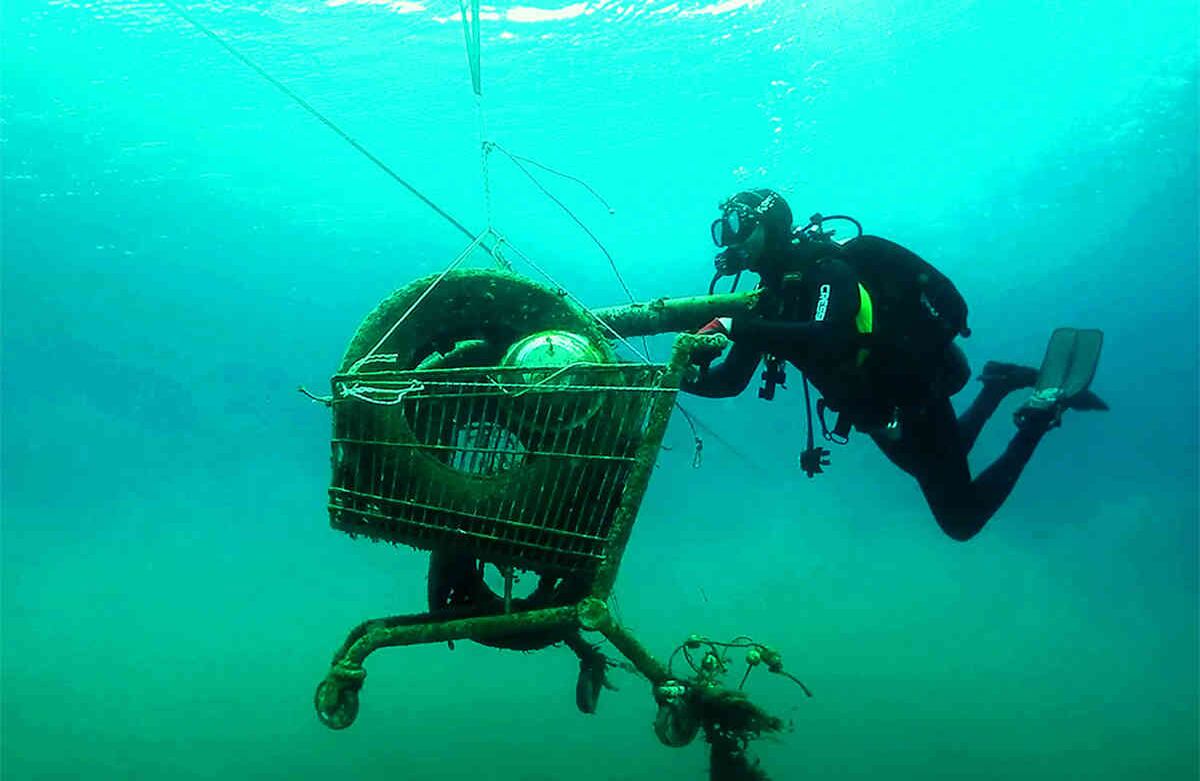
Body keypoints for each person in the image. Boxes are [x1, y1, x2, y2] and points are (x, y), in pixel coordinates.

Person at [683, 189, 1107, 541]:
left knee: (960, 520)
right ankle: (997, 385)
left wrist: (732, 324)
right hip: (871, 407)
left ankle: (1035, 419)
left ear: (770, 228)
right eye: (723, 230)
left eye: (737, 228)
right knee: (924, 461)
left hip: (910, 390)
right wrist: (684, 374)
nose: (728, 242)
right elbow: (731, 381)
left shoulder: (826, 268)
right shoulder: (770, 297)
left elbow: (828, 333)